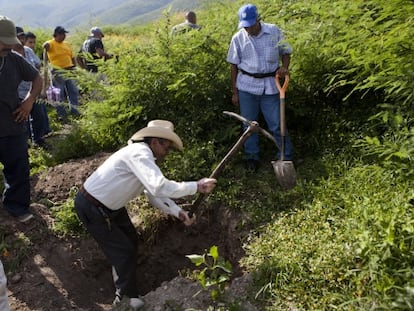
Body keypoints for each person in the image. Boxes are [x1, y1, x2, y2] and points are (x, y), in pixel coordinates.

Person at [74, 120, 217, 310]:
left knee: (130, 241)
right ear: (155, 142)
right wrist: (195, 186)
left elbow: (153, 193)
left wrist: (178, 212)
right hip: (93, 207)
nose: (168, 151)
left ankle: (126, 291)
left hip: (111, 207)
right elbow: (158, 185)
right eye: (166, 145)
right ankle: (125, 301)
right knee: (123, 250)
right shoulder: (139, 153)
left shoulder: (145, 157)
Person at [226, 4, 294, 172]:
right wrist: (235, 92)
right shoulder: (238, 38)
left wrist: (284, 67)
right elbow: (233, 66)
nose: (248, 29)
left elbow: (286, 51)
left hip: (271, 85)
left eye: (251, 24)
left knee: (277, 123)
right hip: (247, 86)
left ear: (259, 19)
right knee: (249, 125)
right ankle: (251, 157)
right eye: (245, 25)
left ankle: (285, 155)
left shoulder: (273, 31)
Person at [0, 16, 42, 222]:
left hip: (12, 126)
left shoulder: (13, 59)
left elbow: (37, 78)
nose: (7, 46)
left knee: (18, 170)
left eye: (9, 41)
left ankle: (16, 207)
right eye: (3, 42)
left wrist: (29, 101)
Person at [14, 29, 50, 147]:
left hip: (33, 89)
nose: (21, 40)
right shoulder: (10, 55)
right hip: (18, 93)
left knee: (38, 115)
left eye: (23, 37)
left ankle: (38, 140)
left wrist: (35, 78)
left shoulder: (28, 51)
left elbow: (37, 64)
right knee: (21, 119)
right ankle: (25, 143)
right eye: (19, 37)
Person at [43, 26, 80, 121]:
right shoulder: (51, 43)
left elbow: (72, 57)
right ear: (57, 34)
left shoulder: (67, 44)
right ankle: (62, 115)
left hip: (70, 70)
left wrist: (75, 68)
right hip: (58, 72)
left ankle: (75, 112)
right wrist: (45, 45)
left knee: (73, 92)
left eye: (65, 34)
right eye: (63, 34)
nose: (64, 36)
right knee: (59, 94)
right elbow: (45, 45)